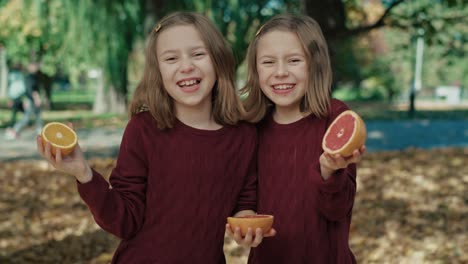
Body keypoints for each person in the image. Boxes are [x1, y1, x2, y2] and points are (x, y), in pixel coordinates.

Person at [37, 12, 257, 263]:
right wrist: (84, 174)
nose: (186, 66)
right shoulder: (143, 130)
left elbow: (245, 201)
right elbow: (124, 222)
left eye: (198, 54)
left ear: (219, 61)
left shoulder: (243, 136)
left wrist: (246, 224)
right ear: (158, 72)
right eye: (171, 58)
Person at [229, 15, 366, 263]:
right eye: (268, 62)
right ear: (255, 69)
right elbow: (246, 199)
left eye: (294, 60)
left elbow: (338, 210)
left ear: (315, 64)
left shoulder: (334, 118)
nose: (281, 72)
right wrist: (245, 226)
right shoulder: (252, 127)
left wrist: (328, 171)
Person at [5, 62, 43, 139]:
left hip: (29, 99)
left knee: (37, 116)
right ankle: (14, 130)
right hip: (30, 100)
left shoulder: (32, 77)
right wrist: (36, 98)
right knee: (26, 118)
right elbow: (29, 89)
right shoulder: (29, 77)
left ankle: (40, 132)